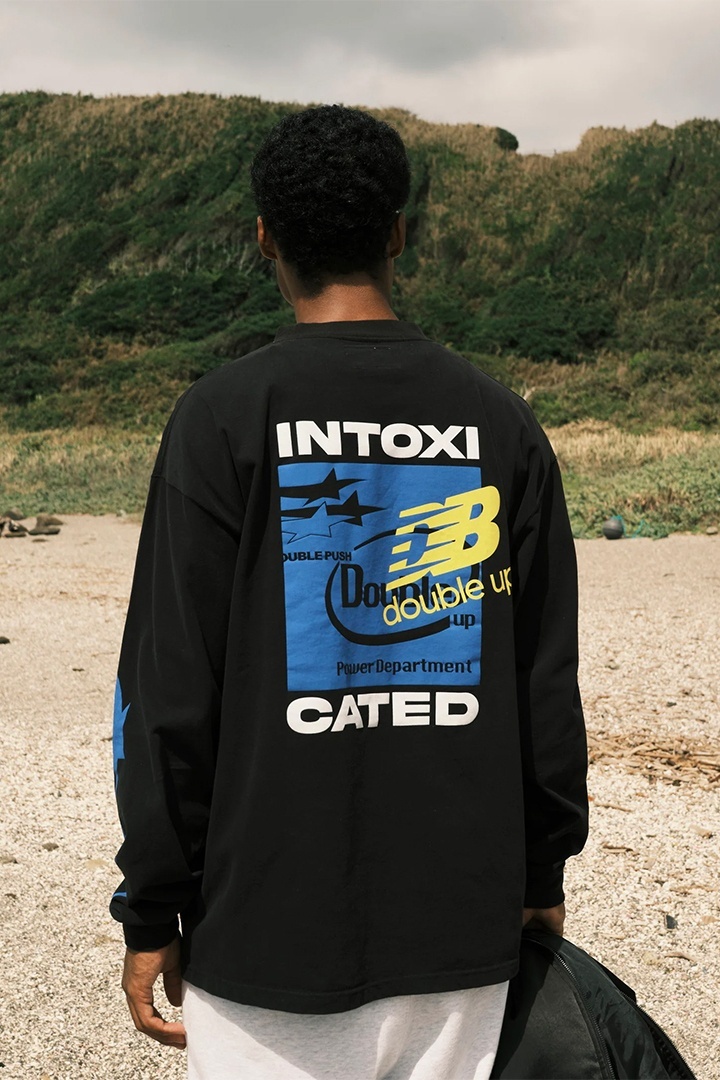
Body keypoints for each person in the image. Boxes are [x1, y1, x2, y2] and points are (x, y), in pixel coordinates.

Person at [111, 105, 588, 1080]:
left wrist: (152, 905)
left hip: (266, 931)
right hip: (461, 926)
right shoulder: (500, 424)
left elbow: (168, 697)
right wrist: (542, 869)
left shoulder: (221, 420)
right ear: (396, 234)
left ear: (265, 238)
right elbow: (545, 680)